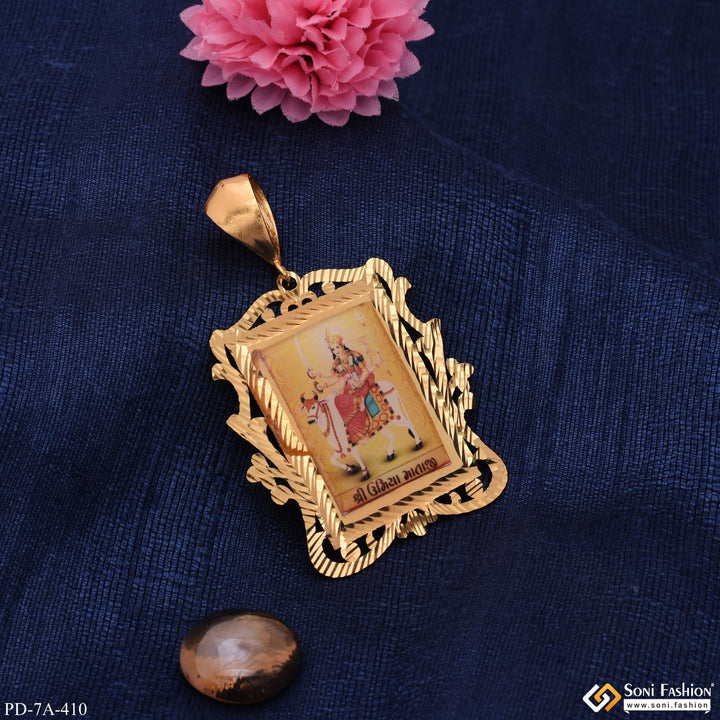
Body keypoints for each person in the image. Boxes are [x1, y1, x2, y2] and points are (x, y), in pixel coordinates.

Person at [307, 330, 393, 446]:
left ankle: (363, 431)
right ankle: (356, 433)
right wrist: (320, 377)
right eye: (333, 349)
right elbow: (335, 376)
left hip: (362, 379)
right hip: (350, 385)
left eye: (337, 347)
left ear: (342, 345)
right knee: (339, 400)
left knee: (354, 400)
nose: (336, 350)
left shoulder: (354, 355)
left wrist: (361, 380)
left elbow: (365, 370)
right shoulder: (336, 363)